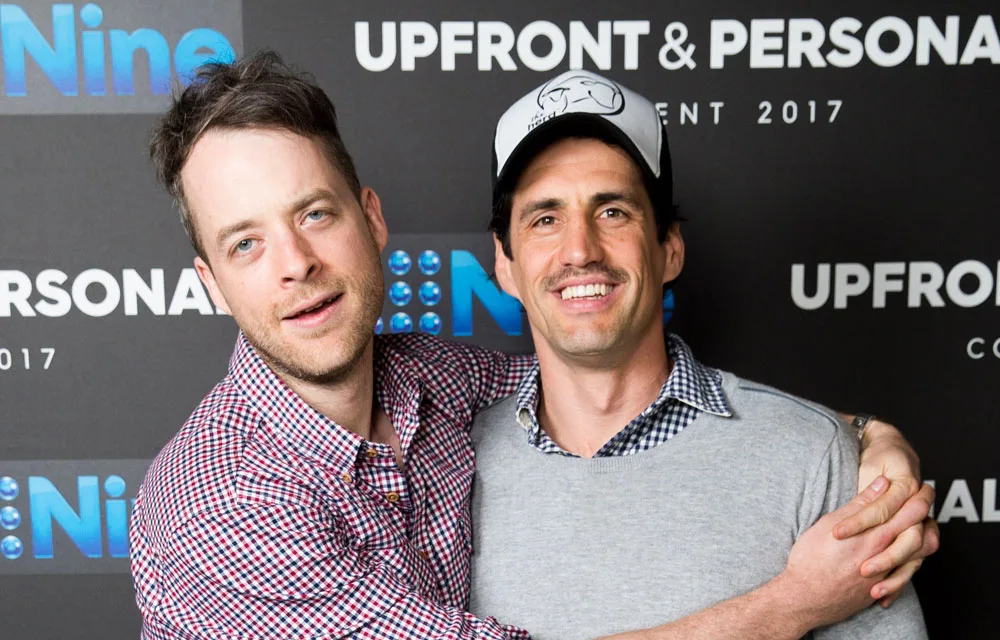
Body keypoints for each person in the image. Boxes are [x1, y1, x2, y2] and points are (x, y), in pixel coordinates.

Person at [129, 52, 936, 639]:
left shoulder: (433, 384)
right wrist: (793, 603)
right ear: (209, 281)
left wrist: (859, 435)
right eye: (245, 244)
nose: (295, 264)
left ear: (371, 221)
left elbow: (593, 373)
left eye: (314, 214)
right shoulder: (218, 504)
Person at [468, 70, 930, 639]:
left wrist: (862, 431)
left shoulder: (809, 455)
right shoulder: (445, 464)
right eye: (545, 219)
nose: (580, 249)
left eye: (613, 211)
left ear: (669, 248)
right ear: (506, 265)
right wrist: (788, 606)